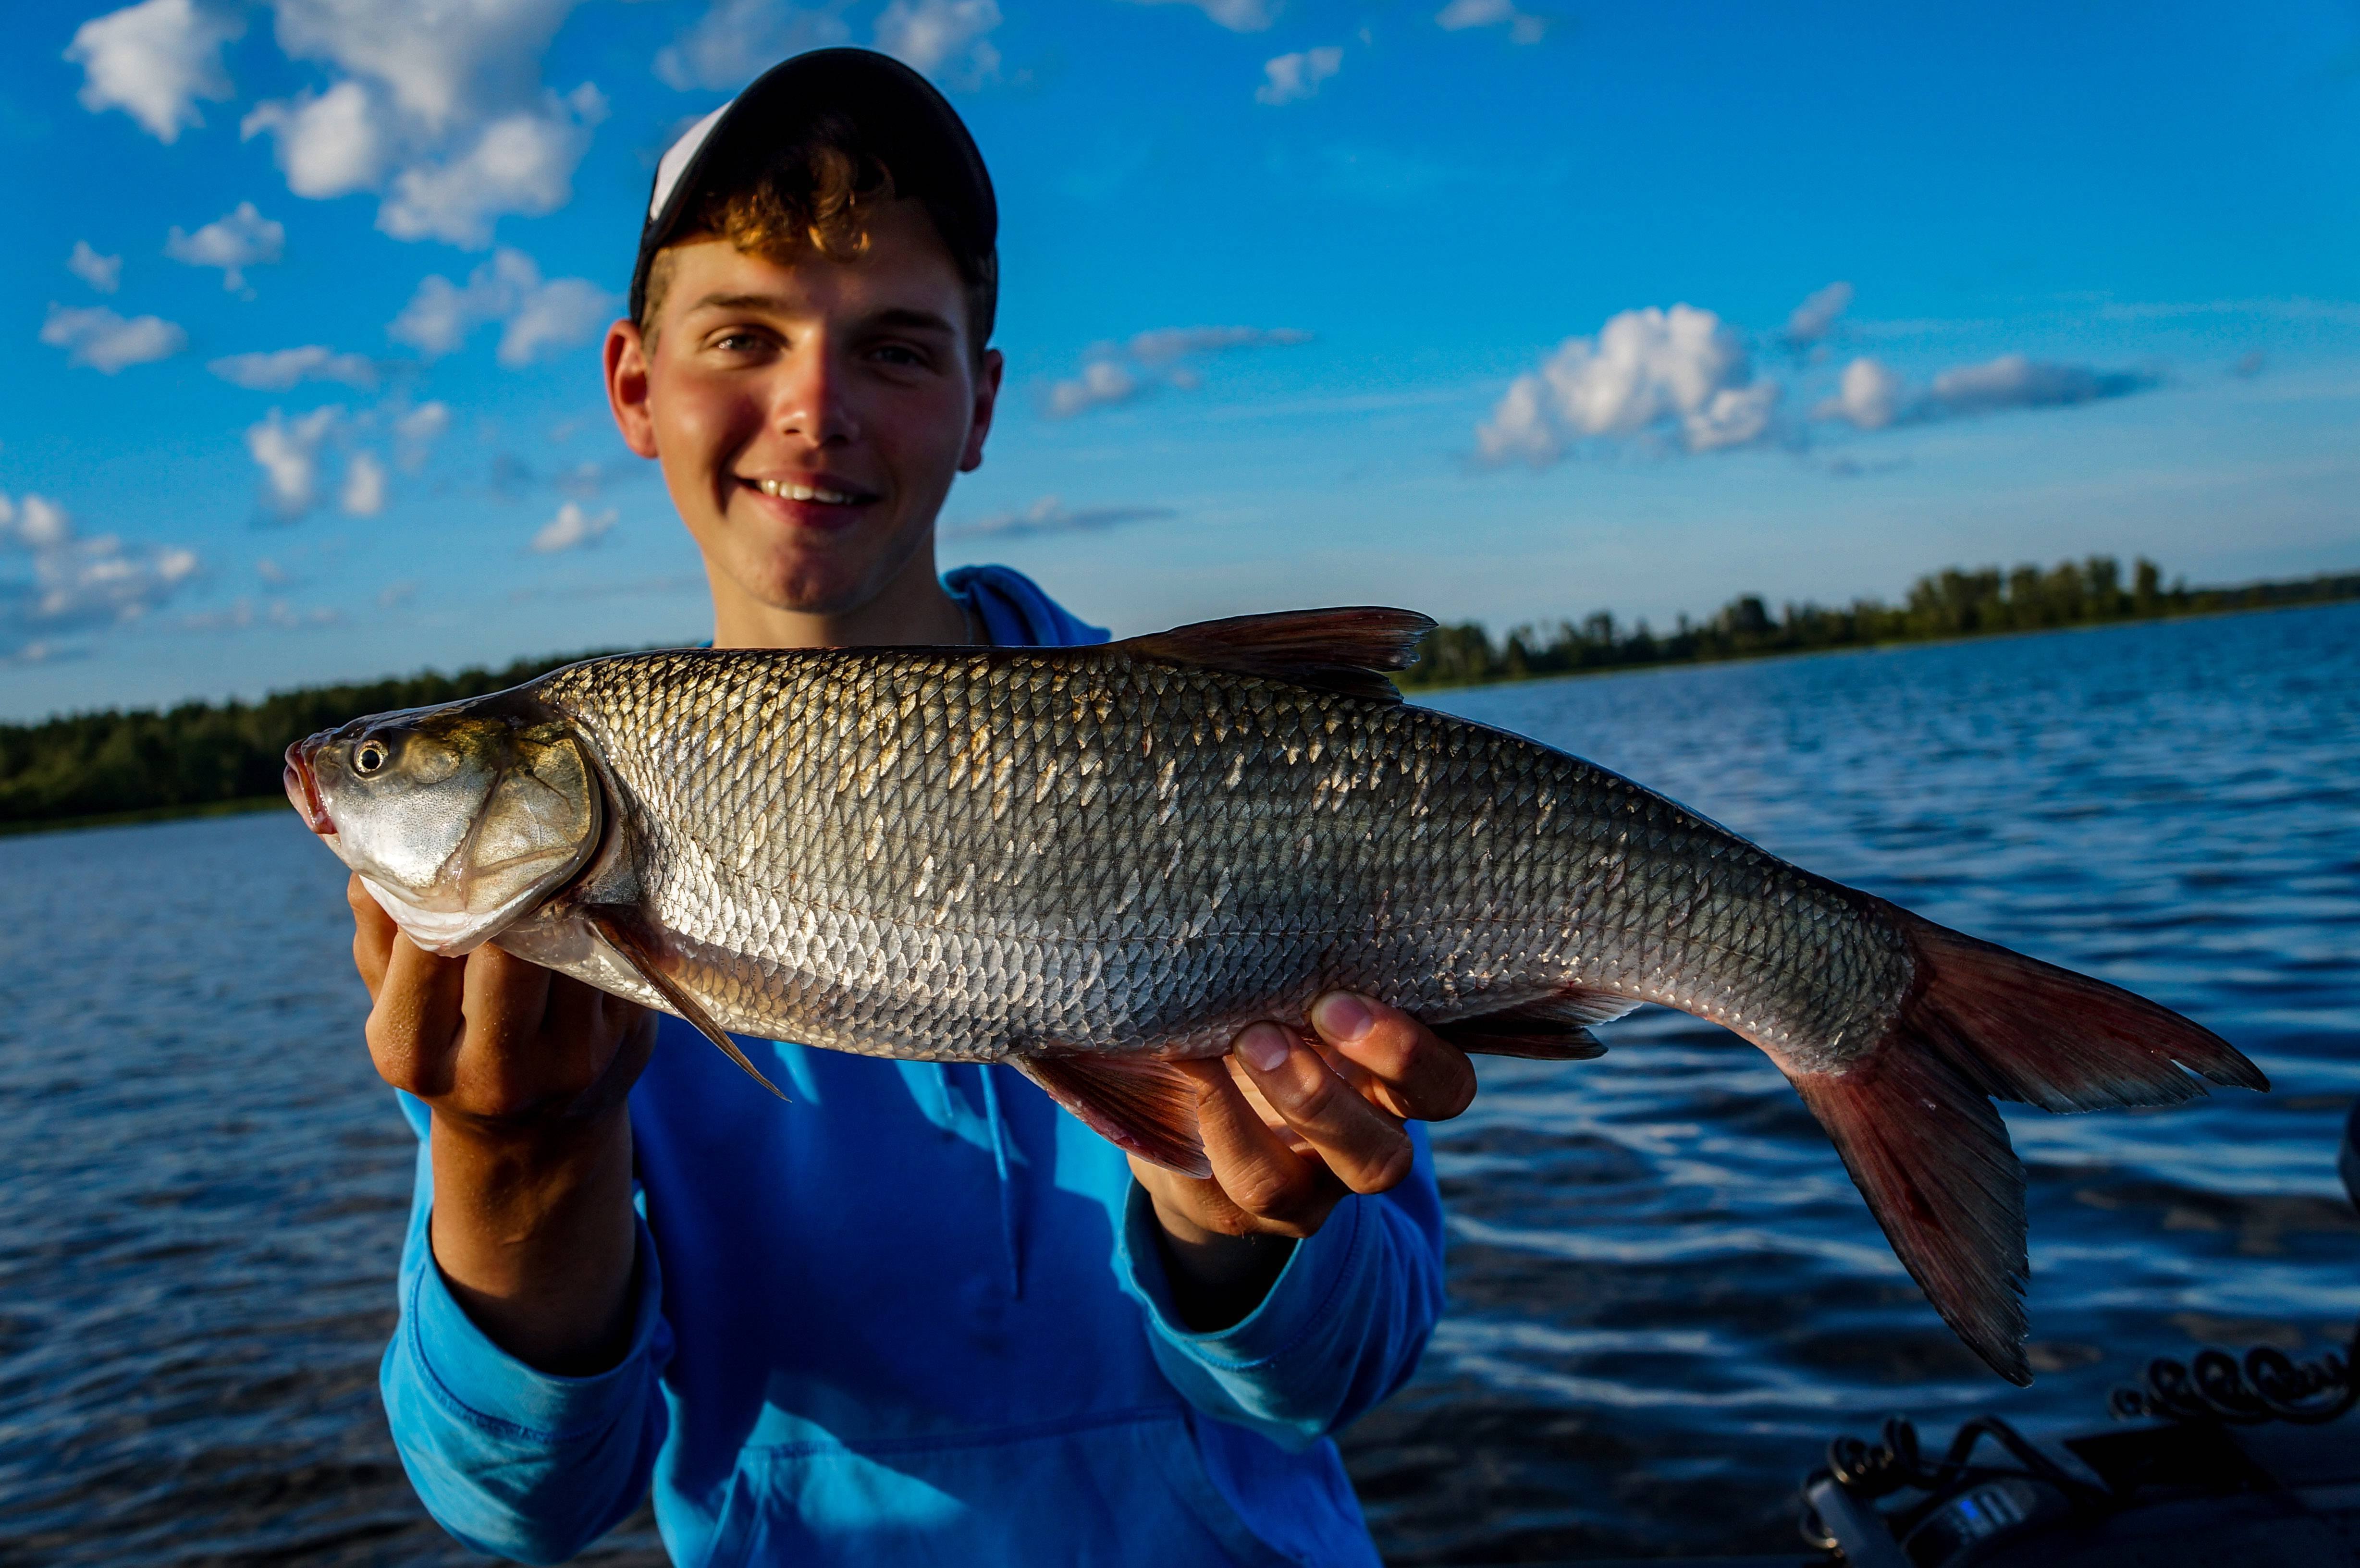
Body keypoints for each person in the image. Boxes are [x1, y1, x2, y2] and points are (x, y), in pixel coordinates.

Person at [347, 48, 1476, 1567]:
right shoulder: (544, 952)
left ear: (980, 400)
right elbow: (529, 1504)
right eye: (744, 334)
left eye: (893, 346)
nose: (814, 406)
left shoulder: (1222, 772)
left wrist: (1229, 1228)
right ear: (634, 383)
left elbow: (1349, 1370)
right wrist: (510, 1157)